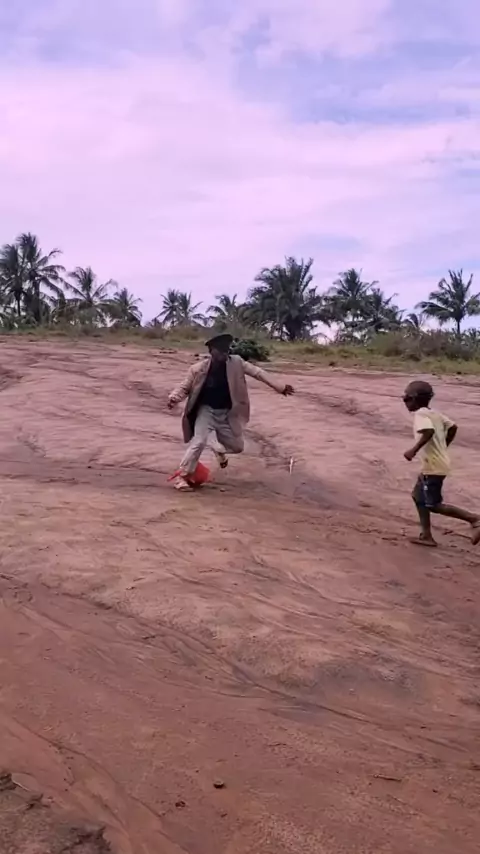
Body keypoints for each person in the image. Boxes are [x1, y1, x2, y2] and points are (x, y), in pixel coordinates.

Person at [167, 333, 294, 489]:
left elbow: (258, 372)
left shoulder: (237, 363)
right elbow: (185, 387)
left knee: (237, 447)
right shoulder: (198, 369)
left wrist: (280, 387)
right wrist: (174, 398)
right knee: (199, 442)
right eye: (221, 351)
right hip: (205, 412)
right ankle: (183, 477)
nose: (224, 354)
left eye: (226, 350)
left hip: (227, 413)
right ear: (211, 351)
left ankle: (218, 450)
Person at [402, 379, 480, 547]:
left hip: (433, 467)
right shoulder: (434, 413)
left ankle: (474, 519)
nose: (405, 402)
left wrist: (413, 450)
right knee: (418, 496)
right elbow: (453, 427)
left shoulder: (420, 414)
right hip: (434, 464)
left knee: (433, 505)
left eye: (406, 398)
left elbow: (428, 431)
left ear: (413, 398)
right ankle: (426, 536)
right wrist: (443, 446)